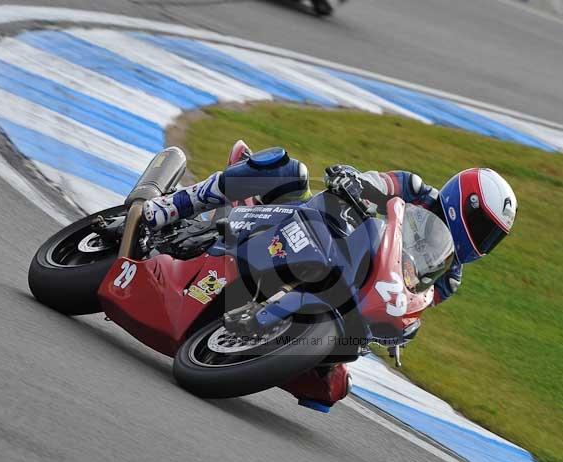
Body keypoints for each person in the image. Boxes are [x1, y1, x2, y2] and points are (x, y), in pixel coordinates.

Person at [142, 142, 518, 408]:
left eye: (492, 236)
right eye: (483, 226)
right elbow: (380, 184)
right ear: (462, 202)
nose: (483, 240)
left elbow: (414, 298)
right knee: (287, 171)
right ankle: (173, 206)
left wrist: (398, 326)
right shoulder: (417, 190)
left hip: (353, 295)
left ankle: (276, 338)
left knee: (334, 385)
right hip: (328, 233)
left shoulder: (449, 277)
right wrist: (357, 183)